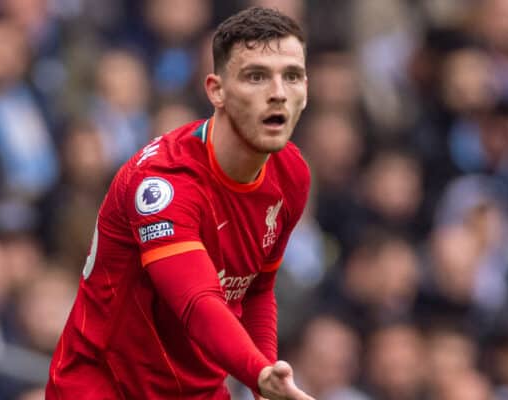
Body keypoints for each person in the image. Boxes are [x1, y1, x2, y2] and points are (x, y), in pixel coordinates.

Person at [46, 6, 313, 400]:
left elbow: (256, 291)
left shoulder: (292, 174)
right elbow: (197, 303)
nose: (278, 93)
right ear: (215, 90)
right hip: (106, 388)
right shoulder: (163, 184)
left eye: (292, 76)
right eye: (256, 76)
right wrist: (258, 374)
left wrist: (269, 382)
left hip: (196, 391)